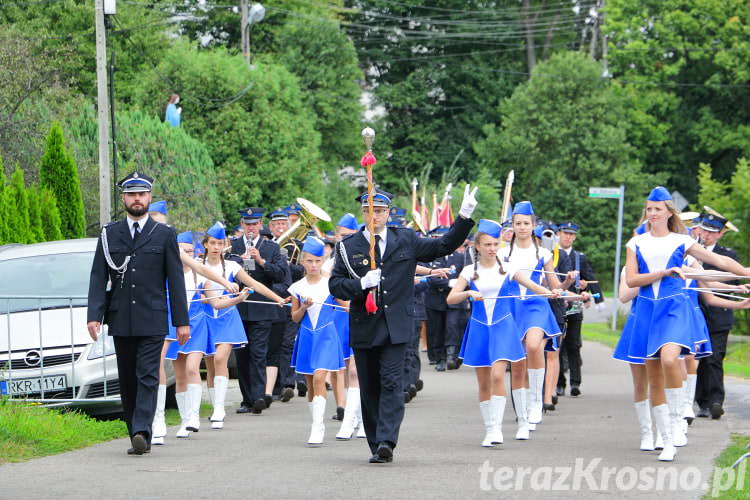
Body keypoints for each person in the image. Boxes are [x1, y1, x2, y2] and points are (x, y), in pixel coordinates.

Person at [329, 185, 477, 464]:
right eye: (369, 212)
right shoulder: (348, 247)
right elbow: (335, 284)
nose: (376, 217)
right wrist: (360, 283)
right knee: (370, 387)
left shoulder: (405, 239)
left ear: (388, 214)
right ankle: (375, 442)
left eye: (381, 211)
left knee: (391, 383)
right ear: (363, 213)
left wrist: (465, 215)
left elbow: (443, 245)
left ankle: (387, 440)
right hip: (365, 326)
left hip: (395, 326)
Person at [624, 186, 750, 462]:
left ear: (669, 212)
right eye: (649, 209)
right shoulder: (635, 244)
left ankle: (680, 418)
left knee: (671, 359)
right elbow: (632, 281)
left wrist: (743, 272)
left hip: (675, 308)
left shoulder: (681, 241)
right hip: (647, 311)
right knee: (654, 377)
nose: (652, 213)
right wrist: (664, 272)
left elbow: (716, 260)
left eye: (657, 209)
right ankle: (666, 439)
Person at [87, 171, 189, 456]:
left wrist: (182, 321)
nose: (137, 199)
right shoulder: (110, 234)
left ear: (149, 197)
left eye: (142, 194)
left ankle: (143, 429)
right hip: (121, 318)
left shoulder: (165, 234)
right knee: (128, 377)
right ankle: (134, 430)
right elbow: (98, 277)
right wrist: (94, 315)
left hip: (153, 317)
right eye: (131, 194)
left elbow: (176, 280)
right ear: (123, 198)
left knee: (147, 374)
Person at [449, 219, 561, 445]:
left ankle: (499, 428)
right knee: (483, 382)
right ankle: (489, 428)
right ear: (477, 247)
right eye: (487, 244)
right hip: (480, 329)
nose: (492, 248)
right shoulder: (470, 271)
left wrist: (553, 292)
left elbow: (534, 286)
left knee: (498, 375)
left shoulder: (508, 268)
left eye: (495, 244)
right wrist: (469, 293)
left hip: (503, 327)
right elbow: (451, 298)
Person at [499, 201, 573, 430]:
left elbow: (554, 285)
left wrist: (567, 282)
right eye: (518, 223)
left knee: (534, 346)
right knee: (518, 362)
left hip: (536, 305)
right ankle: (522, 412)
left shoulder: (543, 252)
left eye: (526, 223)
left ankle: (536, 401)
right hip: (512, 306)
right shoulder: (502, 253)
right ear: (512, 226)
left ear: (533, 225)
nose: (522, 227)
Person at [289, 236, 348, 445]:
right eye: (309, 261)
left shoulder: (331, 284)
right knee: (310, 384)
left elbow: (347, 305)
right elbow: (294, 317)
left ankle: (317, 427)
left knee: (319, 377)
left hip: (327, 336)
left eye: (317, 261)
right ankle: (316, 420)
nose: (314, 265)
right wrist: (304, 307)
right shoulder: (297, 286)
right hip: (306, 336)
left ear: (323, 261)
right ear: (303, 262)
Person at [230, 207, 289, 414]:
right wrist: (240, 260)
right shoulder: (233, 245)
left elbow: (281, 275)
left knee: (258, 354)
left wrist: (261, 261)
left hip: (262, 309)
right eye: (247, 224)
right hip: (239, 308)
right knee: (242, 356)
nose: (251, 228)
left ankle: (258, 398)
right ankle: (246, 399)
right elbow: (227, 271)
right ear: (242, 225)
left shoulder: (272, 247)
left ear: (260, 225)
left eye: (254, 224)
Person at [694, 212, 741, 420]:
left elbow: (733, 282)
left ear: (720, 234)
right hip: (695, 312)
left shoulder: (728, 256)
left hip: (719, 315)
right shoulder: (691, 251)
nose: (706, 235)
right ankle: (701, 401)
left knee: (714, 358)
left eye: (712, 232)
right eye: (704, 230)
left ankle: (714, 402)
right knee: (698, 359)